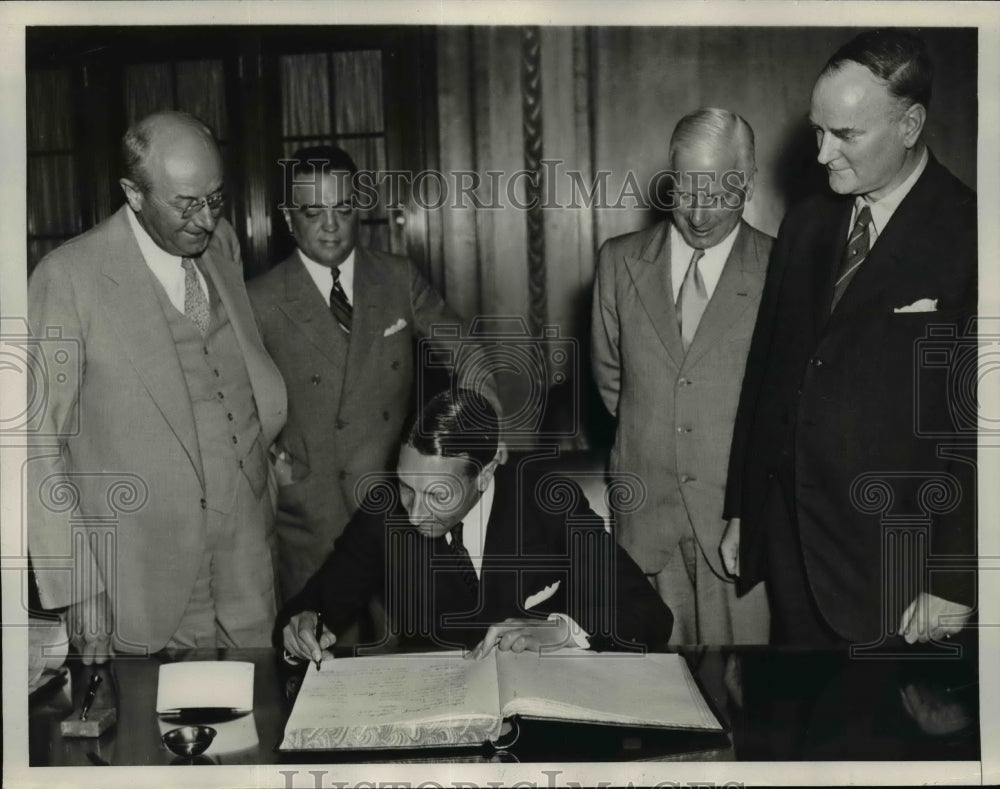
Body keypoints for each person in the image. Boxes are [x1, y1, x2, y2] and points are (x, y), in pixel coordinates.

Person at [721, 29, 976, 646]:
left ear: (910, 125)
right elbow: (768, 374)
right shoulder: (806, 223)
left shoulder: (973, 234)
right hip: (794, 553)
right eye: (818, 130)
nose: (822, 154)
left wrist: (956, 577)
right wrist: (744, 510)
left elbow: (983, 431)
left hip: (899, 574)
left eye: (846, 135)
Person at [27, 111, 287, 660]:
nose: (205, 219)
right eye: (186, 204)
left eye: (215, 199)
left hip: (249, 547)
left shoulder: (223, 245)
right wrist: (78, 588)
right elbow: (37, 444)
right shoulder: (68, 276)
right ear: (134, 193)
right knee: (166, 711)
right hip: (146, 564)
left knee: (260, 698)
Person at [248, 146, 486, 603]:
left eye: (343, 209)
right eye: (313, 212)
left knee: (401, 636)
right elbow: (231, 402)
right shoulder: (259, 299)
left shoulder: (397, 277)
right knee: (317, 633)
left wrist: (486, 432)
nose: (331, 225)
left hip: (396, 502)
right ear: (288, 218)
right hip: (311, 509)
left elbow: (467, 351)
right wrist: (273, 465)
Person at [280, 389, 673, 660]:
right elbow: (311, 606)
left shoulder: (548, 504)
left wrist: (562, 630)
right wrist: (303, 628)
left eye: (438, 495)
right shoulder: (384, 512)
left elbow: (648, 613)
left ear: (483, 476)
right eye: (406, 488)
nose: (414, 514)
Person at [591, 108, 772, 644]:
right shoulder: (618, 262)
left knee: (742, 685)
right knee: (651, 686)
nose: (698, 212)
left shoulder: (780, 268)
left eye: (718, 193)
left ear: (749, 183)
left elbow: (788, 409)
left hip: (737, 529)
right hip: (644, 525)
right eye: (685, 190)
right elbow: (612, 382)